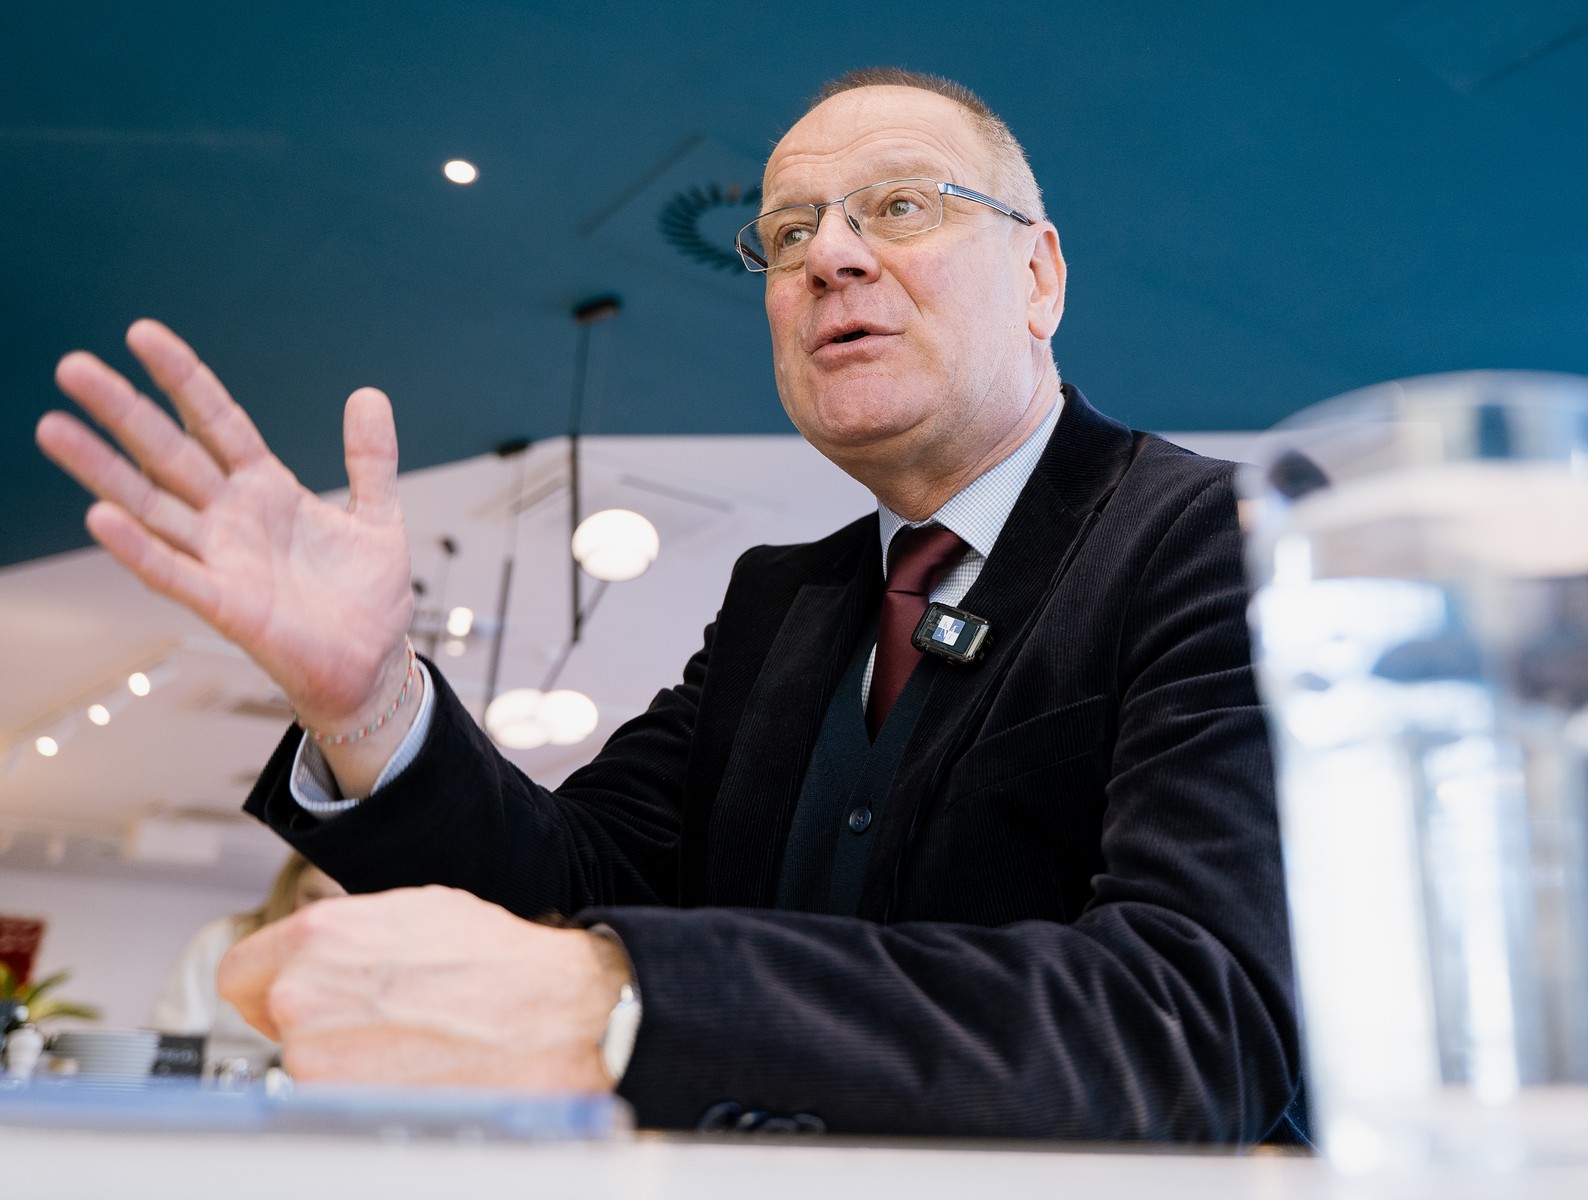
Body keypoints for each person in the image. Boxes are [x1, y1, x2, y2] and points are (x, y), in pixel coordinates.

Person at [36, 69, 1300, 1140]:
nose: (831, 256)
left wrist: (624, 1003)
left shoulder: (1218, 543)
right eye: (788, 233)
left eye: (900, 206)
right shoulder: (778, 605)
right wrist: (367, 699)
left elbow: (1199, 1020)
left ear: (1039, 276)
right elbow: (566, 883)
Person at [148, 852, 344, 1070]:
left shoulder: (355, 962)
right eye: (312, 896)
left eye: (337, 902)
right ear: (289, 890)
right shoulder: (223, 939)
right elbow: (175, 1038)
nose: (319, 912)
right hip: (218, 1081)